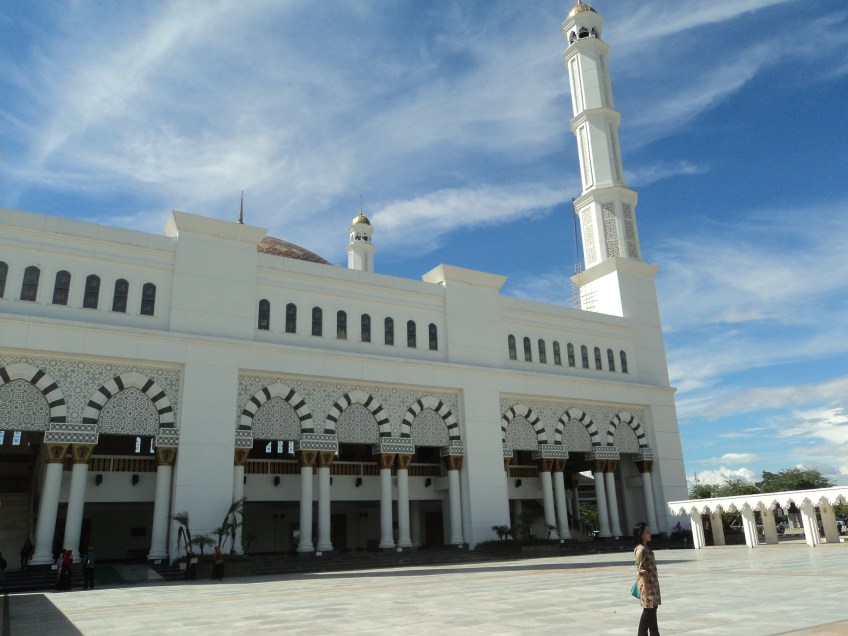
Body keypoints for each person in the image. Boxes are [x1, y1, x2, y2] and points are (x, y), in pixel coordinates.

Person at [634, 522, 662, 636]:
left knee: (652, 610)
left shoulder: (645, 548)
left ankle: (655, 633)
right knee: (648, 610)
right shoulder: (641, 549)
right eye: (647, 532)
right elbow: (640, 569)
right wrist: (645, 588)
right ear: (641, 534)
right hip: (647, 586)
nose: (650, 534)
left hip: (652, 584)